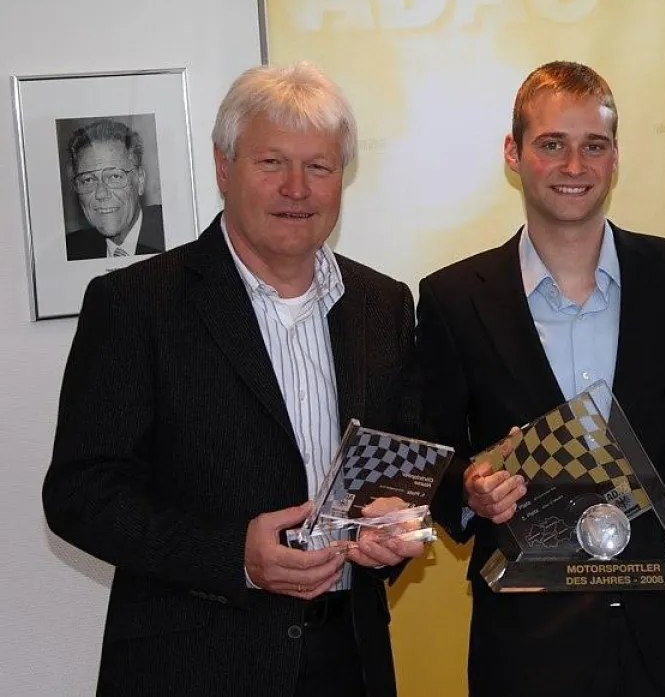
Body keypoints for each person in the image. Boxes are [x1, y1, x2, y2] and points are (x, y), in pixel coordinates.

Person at [43, 62, 423, 697]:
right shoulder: (136, 304)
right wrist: (234, 555)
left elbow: (400, 459)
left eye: (319, 166)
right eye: (272, 162)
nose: (296, 188)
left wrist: (394, 518)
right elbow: (80, 494)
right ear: (225, 168)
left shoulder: (382, 304)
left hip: (349, 660)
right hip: (194, 667)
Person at [418, 61, 665, 697]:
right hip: (528, 648)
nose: (575, 166)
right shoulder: (454, 300)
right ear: (513, 154)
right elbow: (432, 457)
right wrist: (469, 489)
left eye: (593, 145)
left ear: (615, 156)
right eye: (552, 144)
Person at [63, 117, 165, 260]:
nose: (101, 193)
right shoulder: (70, 250)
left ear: (140, 180)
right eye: (88, 180)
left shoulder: (173, 233)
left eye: (114, 177)